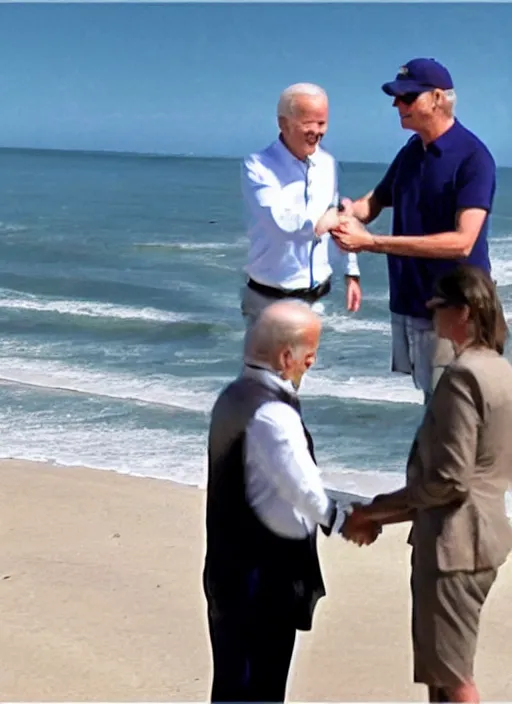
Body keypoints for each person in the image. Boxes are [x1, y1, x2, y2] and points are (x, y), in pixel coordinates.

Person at [342, 265, 512, 703]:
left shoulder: (462, 377)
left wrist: (374, 510)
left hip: (454, 544)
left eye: (438, 305)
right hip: (483, 535)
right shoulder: (500, 370)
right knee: (443, 673)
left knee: (454, 679)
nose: (430, 312)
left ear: (465, 312)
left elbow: (449, 481)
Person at [202, 301, 370, 703]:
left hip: (229, 567)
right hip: (261, 574)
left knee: (234, 682)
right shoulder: (273, 414)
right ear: (285, 356)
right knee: (256, 685)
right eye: (310, 353)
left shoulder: (234, 396)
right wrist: (345, 521)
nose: (312, 362)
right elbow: (302, 487)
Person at [317, 58, 496, 403]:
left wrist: (371, 244)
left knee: (454, 415)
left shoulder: (474, 158)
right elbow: (377, 200)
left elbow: (463, 242)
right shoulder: (412, 151)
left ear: (438, 98)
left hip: (457, 312)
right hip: (413, 303)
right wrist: (346, 214)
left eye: (407, 97)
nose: (397, 104)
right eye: (397, 97)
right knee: (433, 408)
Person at [240, 82, 362, 326]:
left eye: (322, 123)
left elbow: (338, 214)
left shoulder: (327, 163)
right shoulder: (258, 166)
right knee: (264, 365)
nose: (317, 131)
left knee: (311, 364)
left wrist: (352, 272)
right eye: (309, 123)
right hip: (269, 302)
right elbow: (281, 223)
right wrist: (322, 222)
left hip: (318, 299)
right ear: (284, 124)